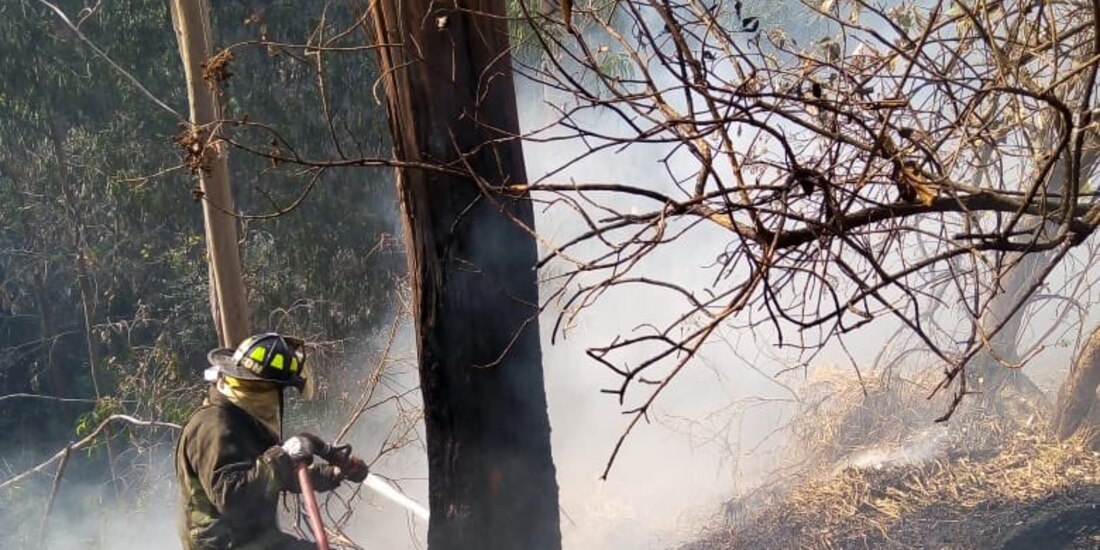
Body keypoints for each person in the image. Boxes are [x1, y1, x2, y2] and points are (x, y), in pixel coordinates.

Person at [176, 333, 369, 550]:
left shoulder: (244, 420)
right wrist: (284, 456)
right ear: (264, 389)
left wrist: (332, 473)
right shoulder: (214, 426)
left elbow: (273, 477)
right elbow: (232, 498)